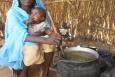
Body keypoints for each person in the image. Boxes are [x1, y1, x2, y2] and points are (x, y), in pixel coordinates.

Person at [0, 0, 60, 77]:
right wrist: (47, 40)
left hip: (37, 35)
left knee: (50, 45)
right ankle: (24, 71)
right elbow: (20, 35)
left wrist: (53, 35)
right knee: (32, 47)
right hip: (18, 40)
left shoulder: (39, 9)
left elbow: (45, 26)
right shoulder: (13, 13)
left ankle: (45, 71)